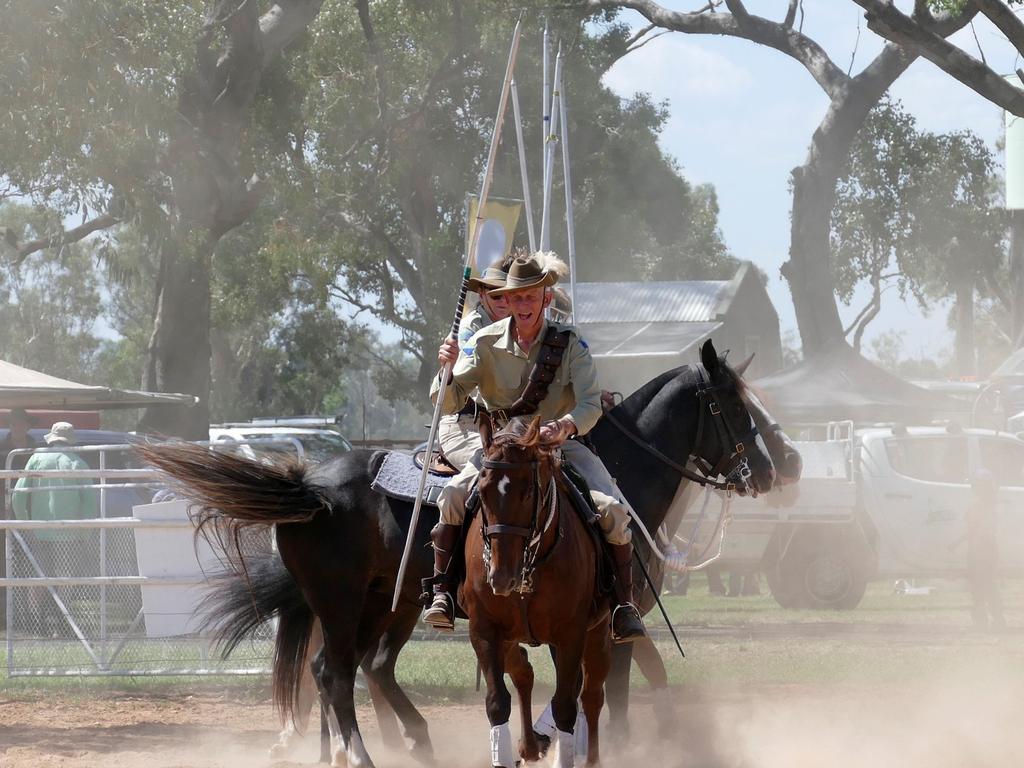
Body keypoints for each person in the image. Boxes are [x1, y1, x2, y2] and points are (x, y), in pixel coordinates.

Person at [424, 254, 647, 642]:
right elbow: (448, 400)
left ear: (545, 299)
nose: (524, 305)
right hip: (501, 452)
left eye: (532, 297)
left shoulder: (570, 344)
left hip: (558, 448)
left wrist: (565, 425)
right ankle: (443, 591)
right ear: (506, 302)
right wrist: (445, 369)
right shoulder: (482, 343)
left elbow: (590, 403)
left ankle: (622, 607)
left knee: (612, 510)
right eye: (517, 298)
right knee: (452, 497)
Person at [11, 422, 98, 635]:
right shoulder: (78, 463)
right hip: (70, 533)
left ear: (51, 438)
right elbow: (89, 503)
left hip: (38, 530)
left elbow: (18, 495)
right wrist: (87, 533)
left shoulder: (36, 459)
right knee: (65, 577)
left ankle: (36, 623)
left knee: (38, 576)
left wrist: (25, 523)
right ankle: (62, 620)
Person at [436, 255, 514, 470]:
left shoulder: (520, 329)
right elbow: (470, 389)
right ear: (482, 294)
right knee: (500, 471)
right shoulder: (471, 330)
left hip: (506, 429)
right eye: (496, 295)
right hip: (465, 426)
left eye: (508, 295)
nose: (503, 301)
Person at [951, 470, 1005, 631]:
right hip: (981, 550)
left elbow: (981, 530)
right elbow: (975, 529)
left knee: (983, 587)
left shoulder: (984, 506)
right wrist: (957, 542)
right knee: (984, 587)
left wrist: (961, 544)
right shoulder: (984, 505)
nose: (972, 488)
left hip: (982, 552)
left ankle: (987, 622)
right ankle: (993, 621)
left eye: (975, 485)